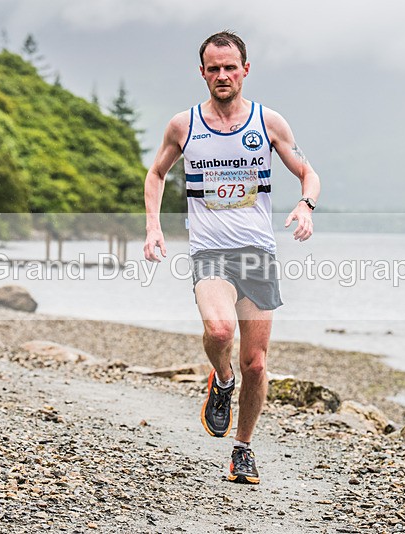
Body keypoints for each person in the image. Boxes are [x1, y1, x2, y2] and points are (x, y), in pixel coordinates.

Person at [143, 30, 320, 484]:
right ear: (202, 72)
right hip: (210, 252)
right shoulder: (184, 126)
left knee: (256, 363)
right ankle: (221, 381)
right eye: (213, 68)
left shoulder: (268, 122)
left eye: (230, 67)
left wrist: (305, 204)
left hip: (257, 253)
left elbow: (308, 171)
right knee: (219, 330)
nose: (222, 75)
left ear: (245, 70)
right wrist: (153, 227)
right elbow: (156, 173)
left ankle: (242, 449)